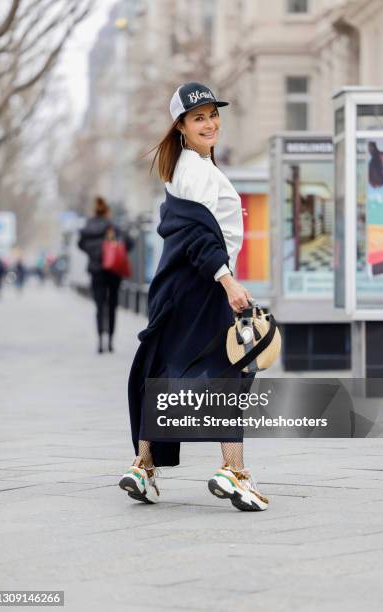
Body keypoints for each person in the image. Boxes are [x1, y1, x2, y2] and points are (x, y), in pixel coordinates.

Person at [119, 82, 269, 511]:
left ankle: (142, 466)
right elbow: (199, 236)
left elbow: (191, 233)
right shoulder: (197, 170)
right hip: (201, 287)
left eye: (212, 114)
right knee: (231, 376)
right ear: (181, 126)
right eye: (198, 117)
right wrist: (228, 281)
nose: (209, 123)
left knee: (163, 372)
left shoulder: (187, 167)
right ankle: (234, 472)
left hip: (175, 287)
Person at [78, 196, 132, 354]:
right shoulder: (112, 226)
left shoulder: (88, 227)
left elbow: (80, 244)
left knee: (99, 305)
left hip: (96, 270)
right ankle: (111, 341)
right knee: (112, 305)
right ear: (107, 210)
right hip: (113, 271)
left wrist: (93, 253)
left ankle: (100, 341)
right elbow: (128, 242)